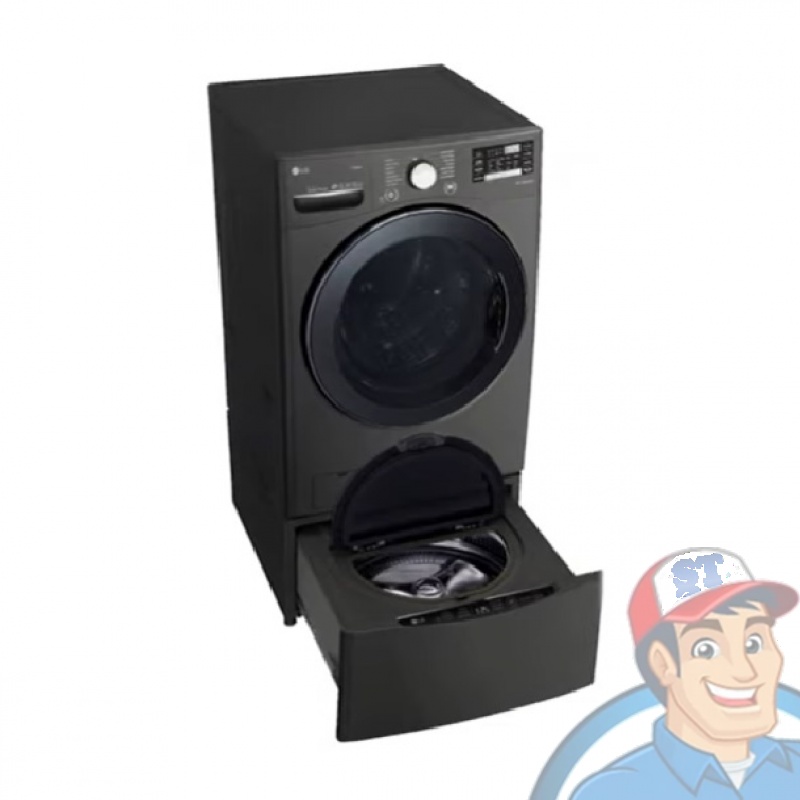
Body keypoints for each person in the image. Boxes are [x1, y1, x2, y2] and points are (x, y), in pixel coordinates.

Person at [572, 549, 800, 798]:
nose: (744, 671)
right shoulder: (612, 793)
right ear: (662, 664)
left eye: (753, 643)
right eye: (706, 649)